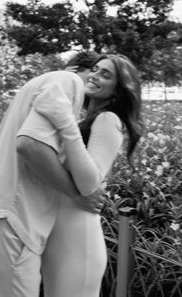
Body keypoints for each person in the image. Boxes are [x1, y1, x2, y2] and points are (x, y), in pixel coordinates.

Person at [0, 52, 106, 297]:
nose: (94, 79)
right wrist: (76, 195)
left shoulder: (44, 84)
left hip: (8, 218)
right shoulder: (67, 80)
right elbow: (29, 145)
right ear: (77, 69)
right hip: (12, 218)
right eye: (93, 71)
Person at [32, 53, 143, 297]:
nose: (94, 76)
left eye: (106, 74)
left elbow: (88, 183)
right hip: (57, 232)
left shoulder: (108, 119)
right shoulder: (83, 119)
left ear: (117, 90)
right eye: (94, 69)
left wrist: (65, 124)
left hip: (77, 237)